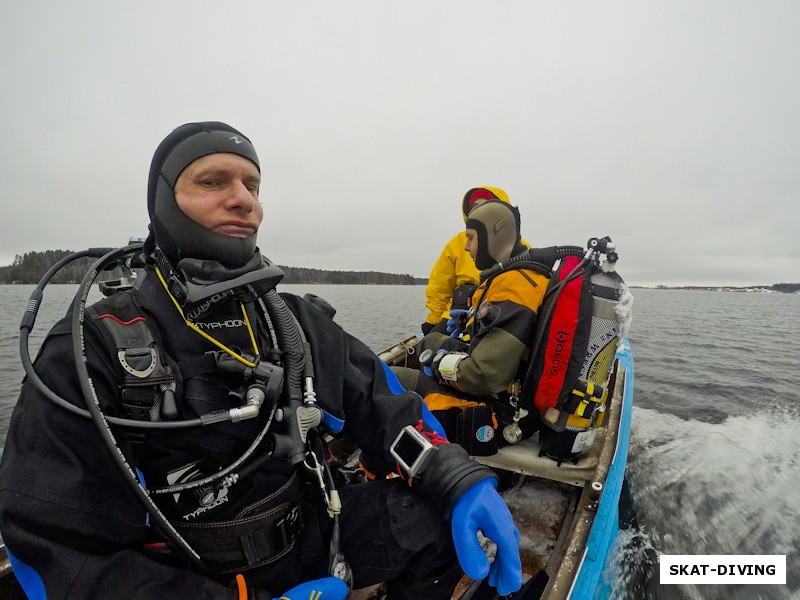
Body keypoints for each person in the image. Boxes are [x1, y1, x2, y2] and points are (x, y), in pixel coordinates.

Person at [0, 122, 522, 600]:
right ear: (163, 201)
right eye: (213, 181)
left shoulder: (291, 321)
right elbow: (51, 545)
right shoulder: (94, 346)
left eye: (252, 185)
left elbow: (380, 400)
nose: (243, 200)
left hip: (311, 535)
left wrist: (456, 477)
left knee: (433, 522)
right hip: (190, 576)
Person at [396, 200, 549, 455]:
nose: (466, 247)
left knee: (388, 382)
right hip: (510, 401)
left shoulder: (515, 287)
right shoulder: (515, 277)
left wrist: (437, 357)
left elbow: (482, 375)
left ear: (494, 237)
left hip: (499, 416)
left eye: (471, 238)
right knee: (426, 349)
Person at [421, 187, 512, 335]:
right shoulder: (457, 243)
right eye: (475, 207)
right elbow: (439, 287)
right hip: (458, 317)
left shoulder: (519, 247)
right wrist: (433, 320)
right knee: (428, 348)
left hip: (500, 320)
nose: (481, 211)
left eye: (487, 206)